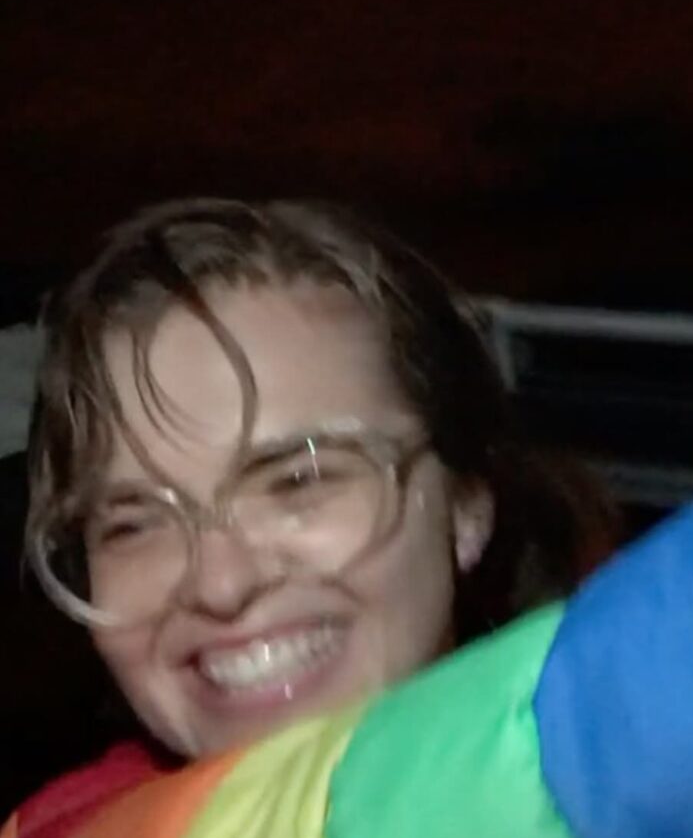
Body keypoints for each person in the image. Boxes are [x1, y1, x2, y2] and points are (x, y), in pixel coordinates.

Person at [22, 197, 615, 760]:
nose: (221, 585)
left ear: (465, 506)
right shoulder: (69, 834)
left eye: (299, 482)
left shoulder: (625, 797)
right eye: (133, 525)